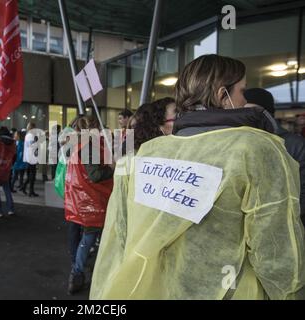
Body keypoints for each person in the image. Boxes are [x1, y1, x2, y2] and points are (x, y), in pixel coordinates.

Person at [91, 54, 305, 300]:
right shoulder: (257, 149)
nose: (245, 100)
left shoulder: (147, 153)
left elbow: (120, 235)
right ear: (222, 94)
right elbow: (276, 253)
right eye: (242, 91)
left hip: (153, 290)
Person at [65, 116, 114, 295]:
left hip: (83, 201)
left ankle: (78, 274)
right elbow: (95, 175)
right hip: (92, 203)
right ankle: (77, 274)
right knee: (89, 240)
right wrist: (112, 168)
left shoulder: (78, 145)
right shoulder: (88, 147)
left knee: (88, 240)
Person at [245, 88, 305, 227]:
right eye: (242, 110)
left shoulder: (294, 144)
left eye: (254, 110)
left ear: (268, 113)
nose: (248, 116)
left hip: (287, 226)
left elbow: (302, 191)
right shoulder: (238, 142)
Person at [22, 123, 40, 197]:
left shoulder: (27, 135)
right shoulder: (32, 136)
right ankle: (30, 191)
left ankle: (26, 188)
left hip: (28, 157)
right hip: (32, 158)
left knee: (30, 175)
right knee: (32, 175)